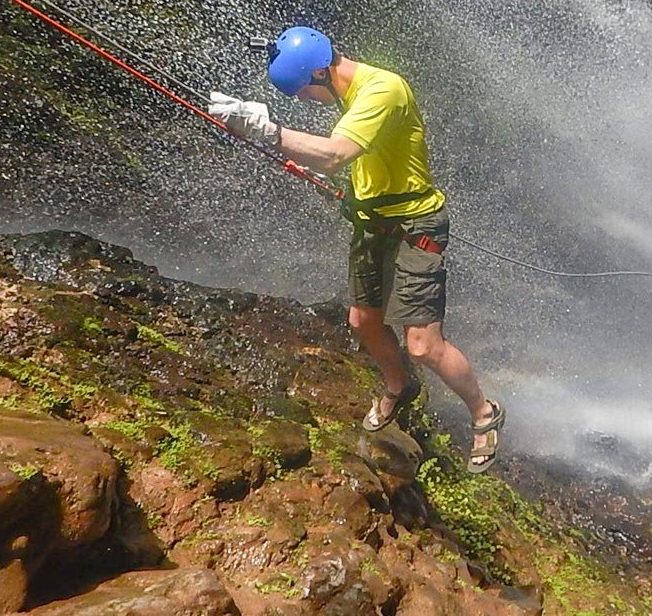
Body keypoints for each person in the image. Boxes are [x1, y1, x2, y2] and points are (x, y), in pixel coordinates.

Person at [208, 27, 505, 473]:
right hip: (373, 221)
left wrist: (268, 131)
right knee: (363, 321)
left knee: (423, 346)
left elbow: (335, 154)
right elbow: (366, 156)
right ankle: (399, 386)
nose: (305, 100)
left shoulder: (382, 90)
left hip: (413, 226)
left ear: (320, 73)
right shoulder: (346, 93)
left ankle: (484, 411)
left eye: (304, 91)